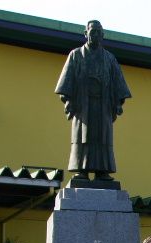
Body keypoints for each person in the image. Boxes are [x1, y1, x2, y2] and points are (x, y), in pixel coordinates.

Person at [54, 20, 131, 181]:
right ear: (85, 33)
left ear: (102, 35)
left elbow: (118, 83)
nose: (95, 35)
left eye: (98, 32)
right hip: (83, 104)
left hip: (103, 104)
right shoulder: (75, 55)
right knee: (83, 136)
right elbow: (66, 82)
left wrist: (118, 103)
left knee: (103, 137)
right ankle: (81, 170)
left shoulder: (109, 59)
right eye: (92, 31)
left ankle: (102, 171)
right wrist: (67, 99)